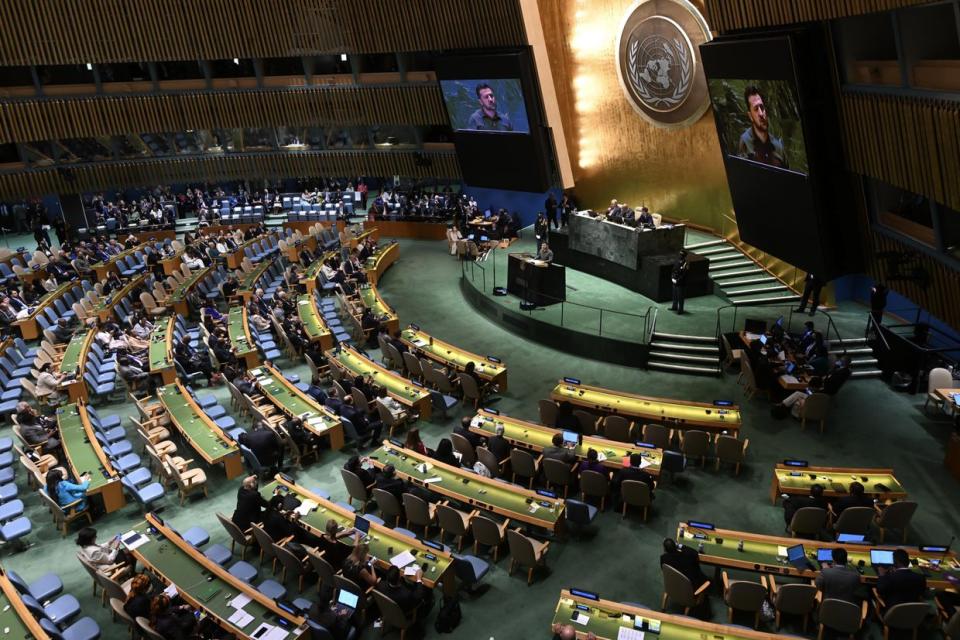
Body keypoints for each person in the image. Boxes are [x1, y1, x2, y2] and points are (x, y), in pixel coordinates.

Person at [737, 85, 789, 168]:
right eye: (756, 109)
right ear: (750, 116)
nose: (761, 113)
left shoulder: (779, 147)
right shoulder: (745, 141)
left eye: (762, 107)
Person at [670, 249, 689, 314]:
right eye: (680, 254)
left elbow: (684, 275)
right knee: (674, 295)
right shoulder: (677, 261)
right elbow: (673, 270)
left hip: (681, 284)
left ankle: (680, 310)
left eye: (682, 255)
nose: (680, 256)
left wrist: (677, 280)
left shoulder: (685, 264)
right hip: (675, 281)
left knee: (680, 297)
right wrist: (672, 278)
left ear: (684, 256)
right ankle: (674, 307)